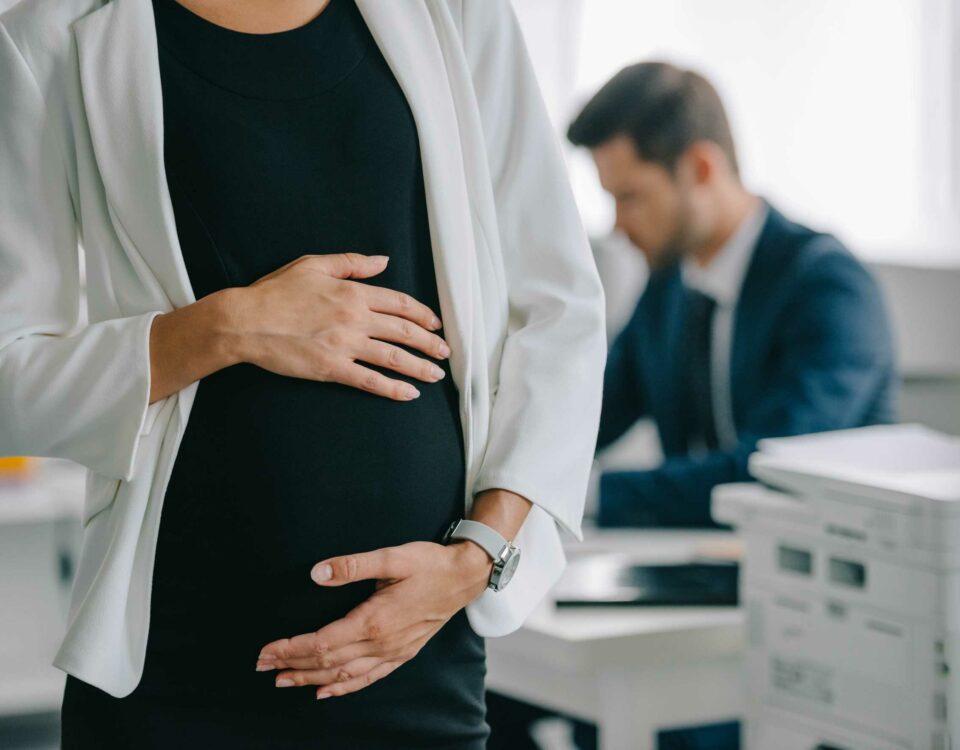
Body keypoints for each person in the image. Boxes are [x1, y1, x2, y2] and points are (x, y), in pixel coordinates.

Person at [0, 0, 607, 747]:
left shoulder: (458, 11)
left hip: (411, 652)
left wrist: (480, 557)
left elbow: (559, 313)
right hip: (174, 660)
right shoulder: (46, 35)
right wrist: (229, 327)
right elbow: (8, 373)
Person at [569, 60, 898, 528]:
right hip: (701, 562)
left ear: (701, 169)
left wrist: (587, 492)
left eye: (630, 197)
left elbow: (770, 471)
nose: (618, 227)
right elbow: (591, 413)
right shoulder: (668, 289)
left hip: (823, 570)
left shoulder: (827, 287)